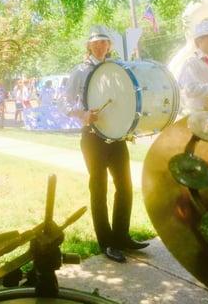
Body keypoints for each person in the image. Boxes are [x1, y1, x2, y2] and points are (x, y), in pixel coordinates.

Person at [65, 26, 148, 263]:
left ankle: (121, 236)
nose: (100, 46)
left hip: (116, 136)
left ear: (109, 46)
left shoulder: (115, 69)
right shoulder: (80, 71)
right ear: (89, 46)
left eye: (104, 42)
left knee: (125, 186)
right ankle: (107, 242)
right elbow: (64, 102)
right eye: (96, 42)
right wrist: (83, 114)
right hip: (92, 137)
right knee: (99, 188)